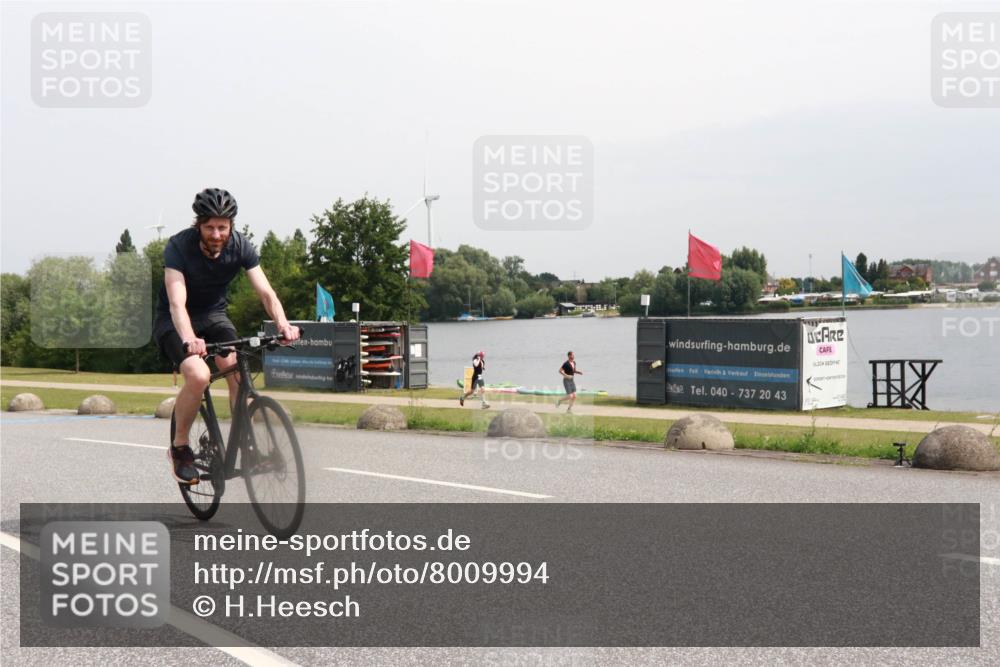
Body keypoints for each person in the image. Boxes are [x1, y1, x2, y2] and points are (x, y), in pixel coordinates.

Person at [154, 188, 300, 485]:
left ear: (231, 225)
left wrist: (283, 324)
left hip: (215, 315)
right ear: (199, 225)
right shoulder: (179, 247)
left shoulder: (241, 246)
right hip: (175, 321)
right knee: (198, 375)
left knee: (236, 368)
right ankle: (180, 448)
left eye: (222, 227)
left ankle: (244, 444)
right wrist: (189, 339)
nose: (217, 234)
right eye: (209, 227)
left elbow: (266, 293)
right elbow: (176, 303)